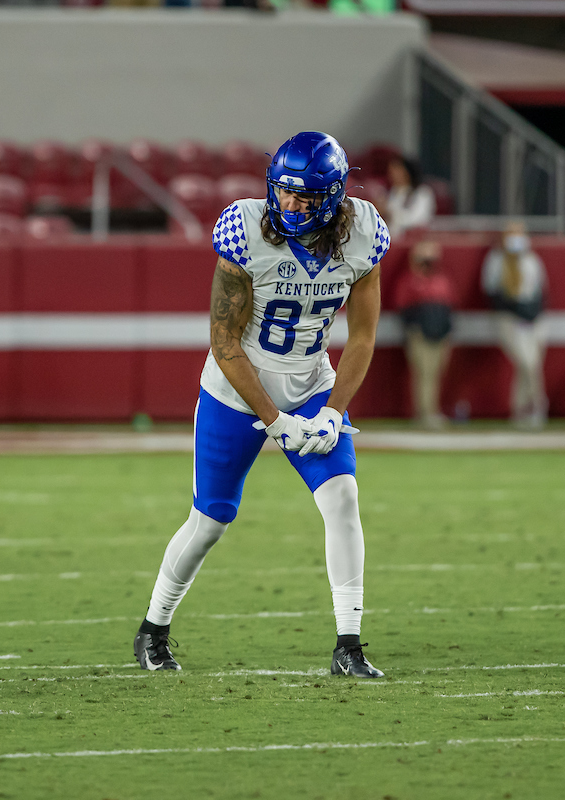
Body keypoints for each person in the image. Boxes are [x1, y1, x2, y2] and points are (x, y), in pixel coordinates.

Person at [133, 131, 390, 679]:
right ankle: (153, 628)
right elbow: (225, 343)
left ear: (336, 195)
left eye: (307, 197)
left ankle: (350, 644)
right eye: (285, 192)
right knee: (210, 519)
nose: (293, 205)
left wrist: (332, 412)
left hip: (311, 379)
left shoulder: (362, 233)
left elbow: (363, 337)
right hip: (236, 388)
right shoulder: (245, 229)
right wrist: (274, 422)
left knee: (343, 497)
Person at [481, 220, 548, 429]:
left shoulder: (531, 260)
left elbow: (541, 290)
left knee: (530, 364)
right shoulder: (495, 259)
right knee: (527, 362)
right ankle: (538, 404)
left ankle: (520, 409)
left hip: (533, 319)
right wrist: (516, 307)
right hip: (509, 319)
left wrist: (531, 310)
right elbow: (491, 293)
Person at [395, 239, 454, 429]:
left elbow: (449, 305)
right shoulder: (410, 280)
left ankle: (432, 411)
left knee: (435, 374)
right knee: (424, 375)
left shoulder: (441, 280)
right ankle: (424, 414)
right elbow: (403, 308)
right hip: (420, 335)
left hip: (440, 334)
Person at [382, 154, 435, 239]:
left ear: (407, 172)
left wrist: (389, 212)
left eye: (397, 170)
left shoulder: (422, 193)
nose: (392, 174)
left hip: (413, 240)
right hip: (392, 240)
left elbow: (417, 219)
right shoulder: (391, 193)